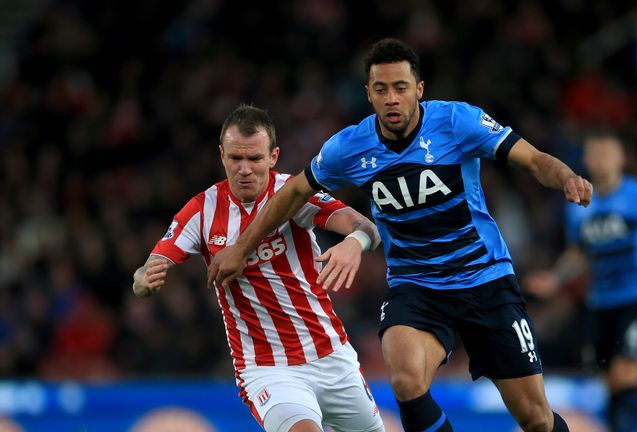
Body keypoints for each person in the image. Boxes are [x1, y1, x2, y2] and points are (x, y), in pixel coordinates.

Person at [208, 38, 593, 432]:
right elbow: (292, 193)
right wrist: (242, 246)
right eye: (381, 89)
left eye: (400, 88)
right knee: (406, 381)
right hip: (416, 286)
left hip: (485, 279)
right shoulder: (349, 147)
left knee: (535, 419)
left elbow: (532, 159)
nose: (391, 98)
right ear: (368, 94)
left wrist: (565, 176)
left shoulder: (457, 122)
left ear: (419, 90)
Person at [131, 104, 385, 432]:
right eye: (236, 159)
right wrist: (143, 280)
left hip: (332, 355)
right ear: (222, 156)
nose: (245, 169)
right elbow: (151, 266)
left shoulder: (293, 194)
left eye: (255, 159)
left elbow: (366, 228)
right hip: (268, 368)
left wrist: (354, 243)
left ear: (273, 156)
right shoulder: (202, 210)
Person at [526, 132, 637, 432]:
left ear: (621, 159)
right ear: (586, 160)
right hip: (601, 300)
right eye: (594, 154)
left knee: (627, 369)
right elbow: (578, 253)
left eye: (607, 154)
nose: (600, 160)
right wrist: (555, 278)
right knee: (608, 378)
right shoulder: (579, 204)